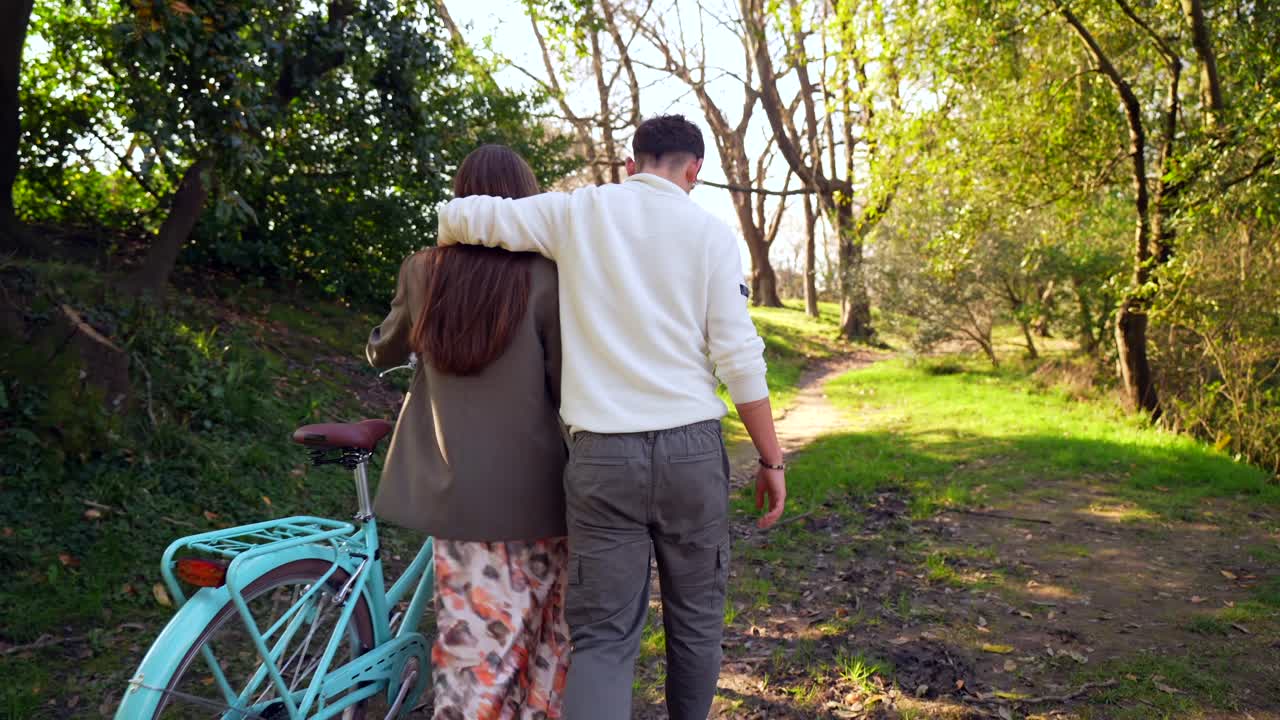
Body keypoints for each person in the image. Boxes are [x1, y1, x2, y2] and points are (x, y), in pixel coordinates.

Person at [436, 115, 787, 720]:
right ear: (694, 170)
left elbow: (457, 216)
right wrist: (771, 459)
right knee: (696, 624)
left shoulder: (579, 212)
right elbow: (739, 358)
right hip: (691, 454)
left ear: (631, 164)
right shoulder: (710, 234)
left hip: (602, 459)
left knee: (603, 640)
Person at [367, 144, 570, 720]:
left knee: (476, 658)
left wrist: (387, 341)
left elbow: (384, 348)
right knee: (549, 643)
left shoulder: (422, 270)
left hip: (458, 498)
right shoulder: (547, 274)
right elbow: (569, 386)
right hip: (542, 496)